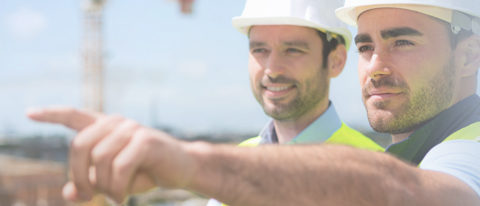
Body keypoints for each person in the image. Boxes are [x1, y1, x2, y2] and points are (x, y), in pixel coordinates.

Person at [26, 0, 480, 205]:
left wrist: (191, 163)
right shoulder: (244, 158)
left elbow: (403, 192)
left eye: (402, 41)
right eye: (366, 46)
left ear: (468, 55)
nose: (377, 65)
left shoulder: (378, 167)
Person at [207, 0, 384, 205]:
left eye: (292, 50)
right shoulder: (236, 164)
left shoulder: (378, 171)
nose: (272, 69)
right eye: (260, 50)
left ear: (336, 61)